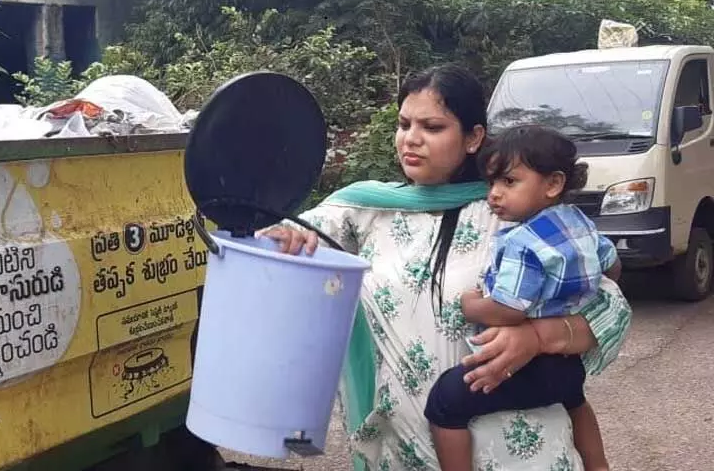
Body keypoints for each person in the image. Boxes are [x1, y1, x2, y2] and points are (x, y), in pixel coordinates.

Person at [259, 63, 632, 471]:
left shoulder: (515, 214)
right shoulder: (365, 209)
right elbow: (288, 234)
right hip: (403, 449)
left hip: (519, 451)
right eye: (404, 124)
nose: (411, 139)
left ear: (473, 138)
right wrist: (287, 235)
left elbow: (610, 304)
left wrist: (538, 337)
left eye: (432, 128)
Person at [424, 125, 620, 471]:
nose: (494, 195)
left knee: (445, 399)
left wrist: (470, 304)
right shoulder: (578, 221)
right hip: (569, 364)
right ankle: (598, 465)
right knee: (575, 399)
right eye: (492, 183)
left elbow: (509, 310)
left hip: (529, 365)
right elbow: (613, 268)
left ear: (553, 184)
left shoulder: (521, 241)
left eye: (509, 182)